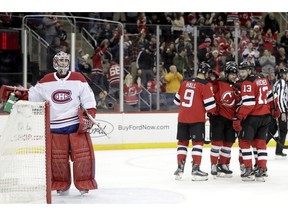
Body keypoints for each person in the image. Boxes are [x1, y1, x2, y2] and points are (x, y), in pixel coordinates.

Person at [28, 51, 98, 195]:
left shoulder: (78, 78)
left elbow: (88, 98)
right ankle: (60, 183)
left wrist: (90, 113)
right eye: (61, 61)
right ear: (55, 63)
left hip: (75, 126)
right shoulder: (46, 80)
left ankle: (84, 183)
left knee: (82, 157)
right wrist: (18, 94)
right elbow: (32, 96)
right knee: (57, 159)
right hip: (55, 127)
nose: (64, 64)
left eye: (66, 61)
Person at [233, 61, 279, 182]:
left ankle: (248, 169)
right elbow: (271, 97)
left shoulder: (248, 82)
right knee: (260, 143)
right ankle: (262, 168)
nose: (241, 74)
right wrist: (275, 109)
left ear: (250, 70)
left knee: (244, 142)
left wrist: (239, 117)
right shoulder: (263, 79)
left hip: (253, 117)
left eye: (243, 71)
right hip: (266, 117)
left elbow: (249, 104)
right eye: (240, 72)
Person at [173, 62, 217, 181]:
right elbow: (211, 107)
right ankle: (196, 169)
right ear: (207, 73)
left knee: (182, 142)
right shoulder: (205, 85)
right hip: (196, 119)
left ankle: (179, 168)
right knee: (197, 143)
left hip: (182, 118)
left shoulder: (185, 82)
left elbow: (176, 101)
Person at [209, 62, 241, 178]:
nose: (234, 76)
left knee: (228, 144)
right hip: (219, 118)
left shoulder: (237, 86)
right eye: (231, 74)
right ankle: (213, 164)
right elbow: (210, 84)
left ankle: (223, 165)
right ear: (226, 74)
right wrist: (212, 77)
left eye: (235, 74)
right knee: (217, 143)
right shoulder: (219, 82)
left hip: (231, 119)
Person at [266, 68, 288, 157]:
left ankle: (261, 146)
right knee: (283, 130)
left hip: (276, 110)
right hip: (279, 110)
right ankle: (279, 150)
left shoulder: (278, 82)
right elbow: (279, 98)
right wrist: (283, 111)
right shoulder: (282, 83)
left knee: (273, 129)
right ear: (283, 74)